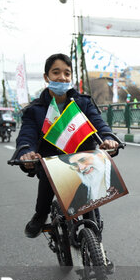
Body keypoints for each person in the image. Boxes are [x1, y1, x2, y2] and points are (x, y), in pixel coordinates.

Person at [16, 53, 119, 238]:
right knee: (47, 182)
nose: (62, 77)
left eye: (67, 73)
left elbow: (99, 124)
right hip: (50, 163)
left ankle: (98, 251)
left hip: (83, 159)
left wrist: (109, 138)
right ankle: (40, 215)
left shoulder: (83, 103)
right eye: (56, 72)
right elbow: (27, 136)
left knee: (93, 211)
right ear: (46, 77)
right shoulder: (35, 110)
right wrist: (26, 152)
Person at [62, 149, 125, 216]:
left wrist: (109, 140)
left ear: (99, 156)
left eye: (83, 160)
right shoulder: (83, 187)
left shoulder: (113, 177)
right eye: (75, 165)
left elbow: (105, 138)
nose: (81, 168)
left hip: (88, 146)